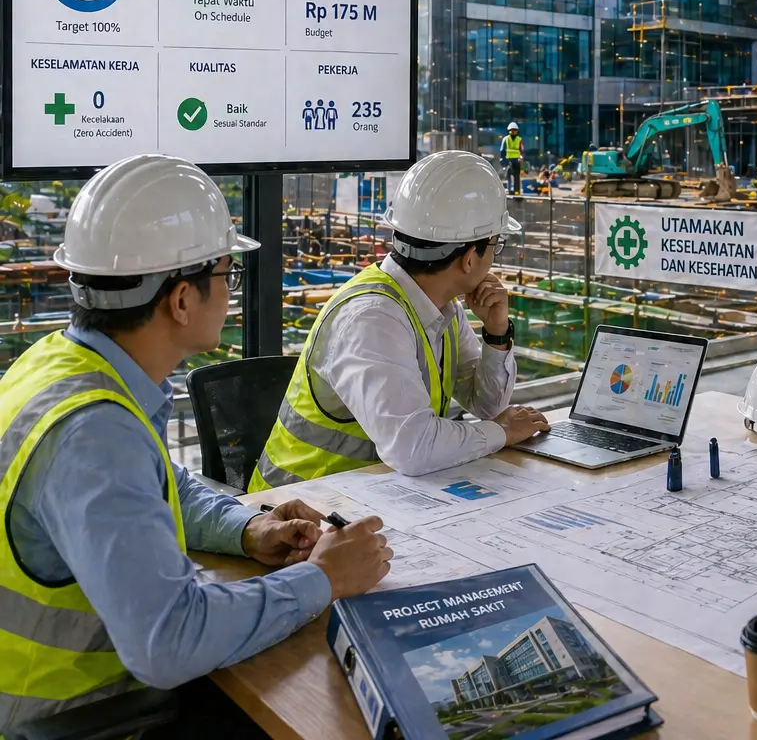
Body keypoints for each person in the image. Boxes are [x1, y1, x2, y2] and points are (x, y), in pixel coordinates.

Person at [0, 155, 391, 733]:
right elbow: (169, 641)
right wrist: (323, 579)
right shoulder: (94, 433)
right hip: (84, 715)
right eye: (226, 278)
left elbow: (154, 483)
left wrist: (245, 528)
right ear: (181, 300)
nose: (232, 295)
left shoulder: (64, 364)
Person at [250, 151, 549, 490]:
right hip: (300, 512)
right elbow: (413, 448)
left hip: (377, 499)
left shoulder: (440, 307)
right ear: (469, 259)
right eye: (496, 243)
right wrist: (503, 432)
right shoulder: (373, 318)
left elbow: (487, 406)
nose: (495, 256)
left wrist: (496, 334)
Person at [500, 121, 524, 194]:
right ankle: (510, 189)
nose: (513, 132)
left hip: (516, 160)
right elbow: (502, 150)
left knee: (516, 176)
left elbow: (522, 149)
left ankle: (517, 190)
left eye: (514, 130)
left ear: (517, 131)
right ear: (509, 131)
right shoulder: (506, 139)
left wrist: (521, 157)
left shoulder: (519, 139)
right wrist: (502, 160)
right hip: (508, 160)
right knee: (508, 175)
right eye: (512, 130)